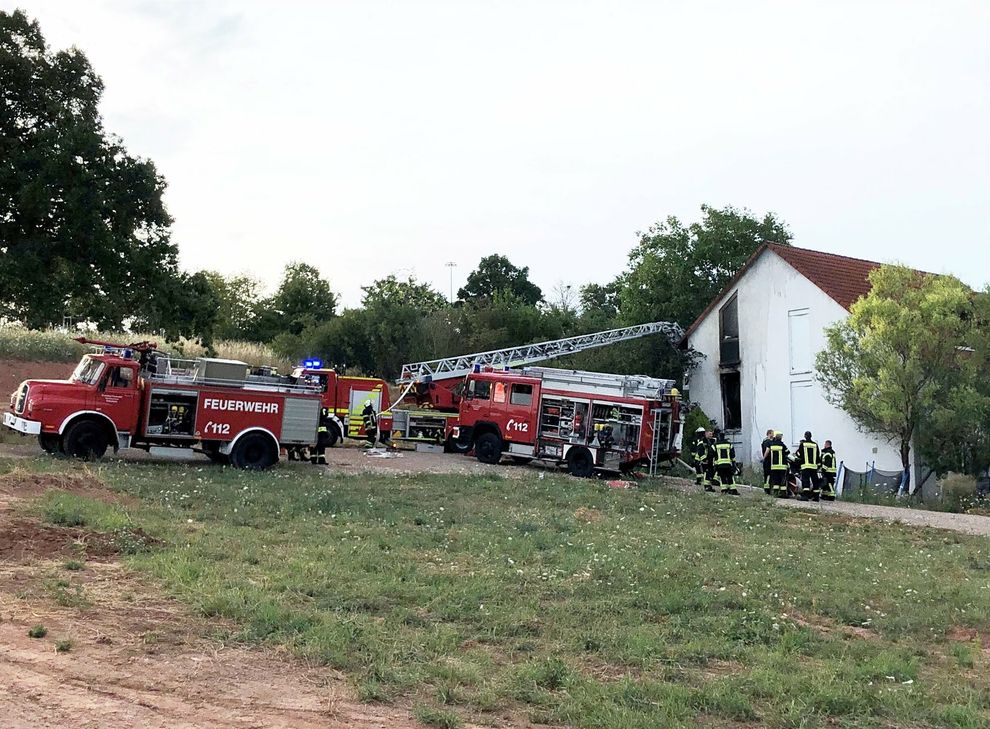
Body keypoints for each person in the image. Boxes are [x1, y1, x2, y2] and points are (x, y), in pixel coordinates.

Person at [711, 430, 740, 496]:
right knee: (730, 477)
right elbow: (733, 455)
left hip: (719, 464)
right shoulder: (729, 444)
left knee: (722, 477)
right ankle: (733, 490)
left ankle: (724, 490)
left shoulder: (715, 445)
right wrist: (734, 464)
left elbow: (711, 454)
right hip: (728, 464)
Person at [796, 430, 822, 500]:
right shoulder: (815, 445)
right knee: (815, 481)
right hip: (813, 466)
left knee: (806, 480)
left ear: (805, 436)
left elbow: (799, 454)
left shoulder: (803, 444)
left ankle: (805, 496)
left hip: (805, 466)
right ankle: (816, 497)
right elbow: (818, 455)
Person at [766, 431, 790, 498]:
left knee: (776, 481)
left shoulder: (772, 445)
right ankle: (783, 494)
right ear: (780, 438)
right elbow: (787, 452)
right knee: (783, 481)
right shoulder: (782, 445)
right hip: (782, 466)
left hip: (774, 466)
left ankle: (775, 494)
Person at [761, 428, 775, 494]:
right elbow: (767, 450)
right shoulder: (768, 442)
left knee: (766, 475)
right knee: (769, 474)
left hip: (766, 460)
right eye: (772, 433)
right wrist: (764, 458)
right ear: (769, 434)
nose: (773, 435)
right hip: (768, 460)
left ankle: (766, 488)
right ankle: (767, 489)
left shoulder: (764, 441)